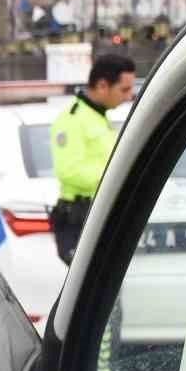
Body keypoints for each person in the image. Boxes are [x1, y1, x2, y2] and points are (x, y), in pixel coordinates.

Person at [48, 53, 136, 264]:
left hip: (98, 213)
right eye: (124, 89)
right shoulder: (73, 119)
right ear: (102, 85)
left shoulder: (97, 116)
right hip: (79, 219)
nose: (129, 96)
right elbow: (69, 171)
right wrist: (117, 176)